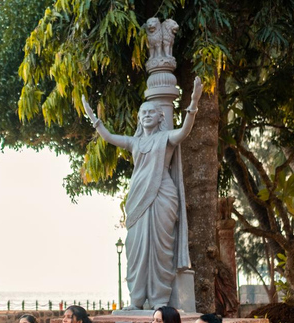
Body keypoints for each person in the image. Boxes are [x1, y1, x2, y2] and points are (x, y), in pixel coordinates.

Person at [82, 77, 203, 310]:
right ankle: (136, 300)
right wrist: (93, 119)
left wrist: (194, 102)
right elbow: (109, 137)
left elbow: (184, 132)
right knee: (135, 248)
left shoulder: (165, 138)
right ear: (138, 118)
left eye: (151, 112)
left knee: (161, 249)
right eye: (143, 112)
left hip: (162, 196)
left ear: (160, 118)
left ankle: (159, 301)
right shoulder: (134, 142)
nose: (146, 115)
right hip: (138, 198)